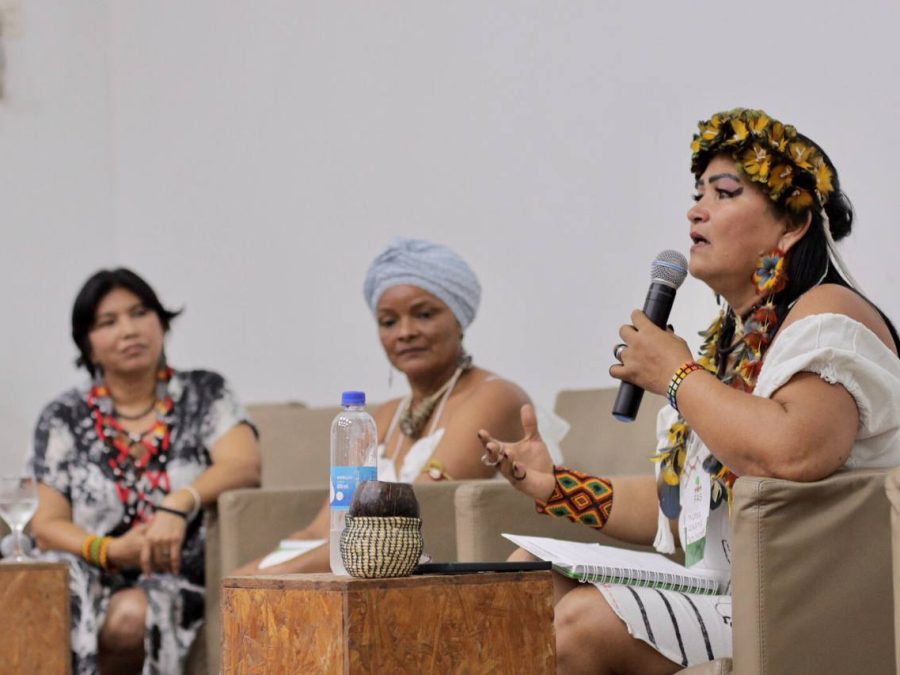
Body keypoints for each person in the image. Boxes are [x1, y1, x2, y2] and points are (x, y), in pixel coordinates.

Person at [478, 108, 900, 674]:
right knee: (524, 579)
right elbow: (679, 510)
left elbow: (792, 452)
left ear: (792, 225)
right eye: (698, 193)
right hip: (722, 588)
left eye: (724, 193)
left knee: (584, 622)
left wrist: (676, 376)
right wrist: (557, 486)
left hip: (805, 606)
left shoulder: (829, 314)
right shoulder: (732, 342)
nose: (695, 209)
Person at [236, 237, 535, 575]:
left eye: (424, 314)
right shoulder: (381, 416)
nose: (405, 332)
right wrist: (254, 572)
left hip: (443, 578)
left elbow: (419, 512)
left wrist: (273, 577)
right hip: (368, 570)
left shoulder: (495, 397)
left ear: (459, 319)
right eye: (389, 321)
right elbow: (322, 527)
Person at [29, 268, 261, 675]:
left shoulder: (204, 393)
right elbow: (47, 524)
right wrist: (107, 550)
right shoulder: (63, 416)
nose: (129, 330)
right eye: (108, 322)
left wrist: (177, 504)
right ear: (88, 346)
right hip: (87, 568)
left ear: (162, 324)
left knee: (129, 618)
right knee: (35, 601)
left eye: (139, 313)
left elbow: (243, 465)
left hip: (175, 573)